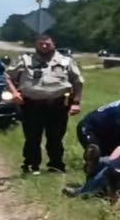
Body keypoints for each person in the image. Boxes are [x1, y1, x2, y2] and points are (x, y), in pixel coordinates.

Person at [6, 34, 83, 175]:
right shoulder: (25, 59)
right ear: (36, 44)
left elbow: (78, 81)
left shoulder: (66, 61)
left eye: (47, 43)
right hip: (31, 104)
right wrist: (14, 93)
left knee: (55, 137)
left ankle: (56, 166)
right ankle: (31, 165)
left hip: (58, 105)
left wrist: (76, 103)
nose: (44, 46)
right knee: (32, 137)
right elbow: (8, 76)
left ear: (54, 44)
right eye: (41, 43)